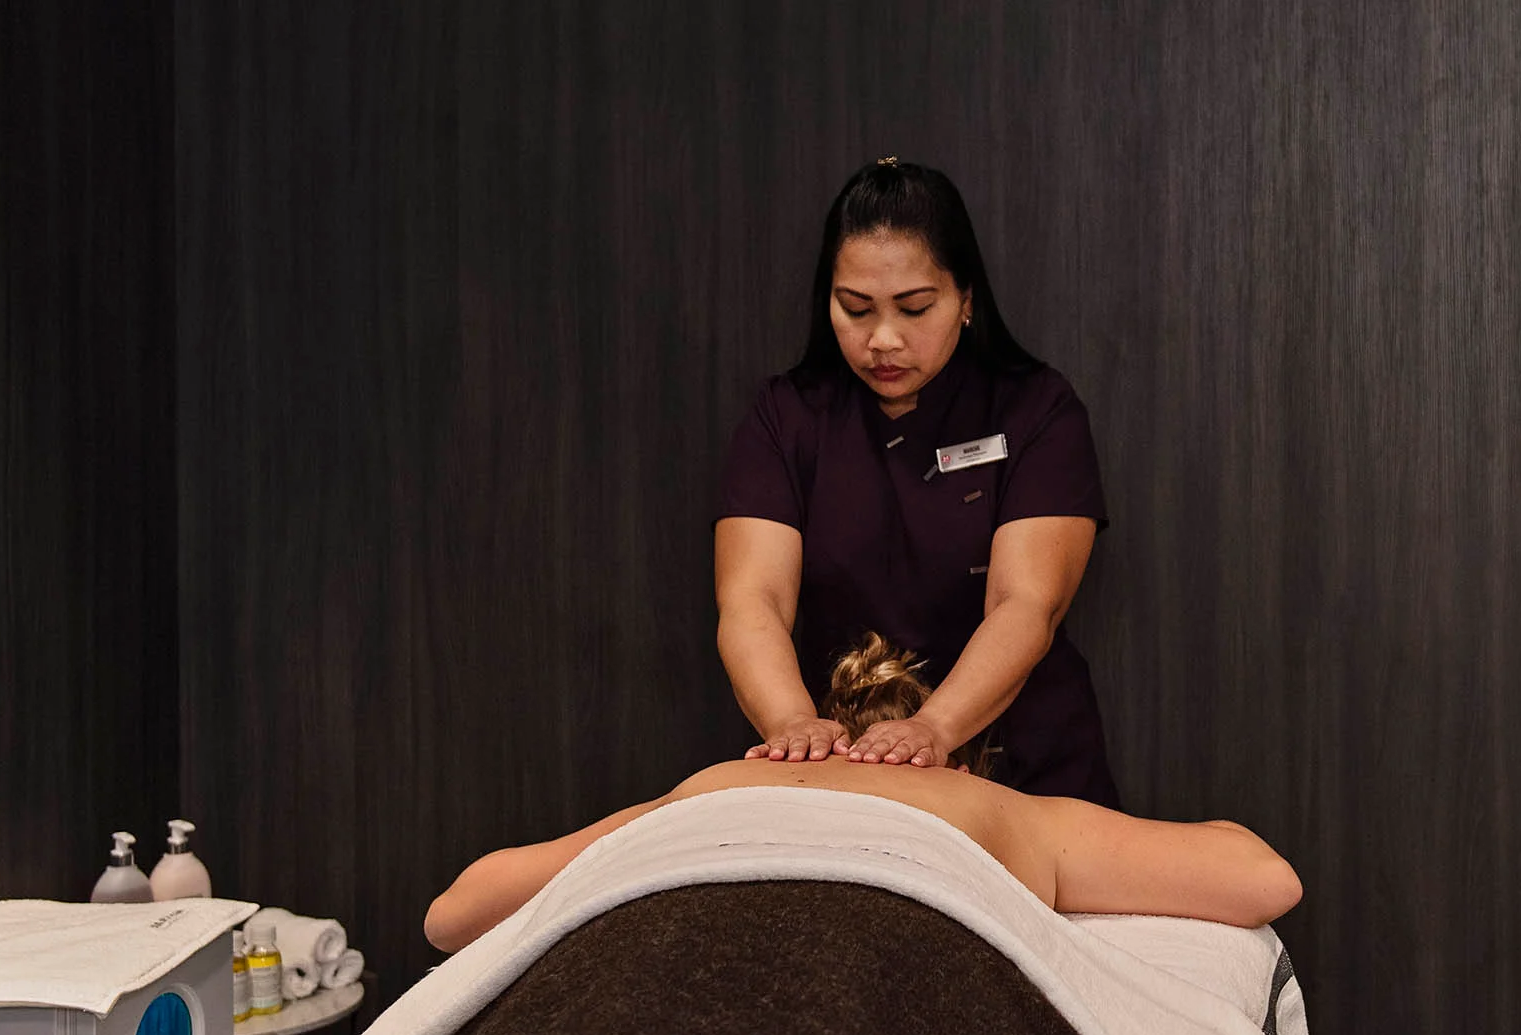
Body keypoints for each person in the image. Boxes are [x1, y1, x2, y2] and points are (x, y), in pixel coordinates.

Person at [426, 635, 1297, 953]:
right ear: (960, 764)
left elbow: (454, 914)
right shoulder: (985, 805)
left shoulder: (717, 786)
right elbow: (1262, 879)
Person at [715, 157, 1121, 807]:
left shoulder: (1036, 410)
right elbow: (751, 601)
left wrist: (935, 728)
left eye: (914, 308)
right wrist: (791, 724)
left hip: (1024, 772)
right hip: (843, 770)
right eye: (856, 309)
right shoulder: (787, 417)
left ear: (966, 300)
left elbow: (1026, 605)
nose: (883, 339)